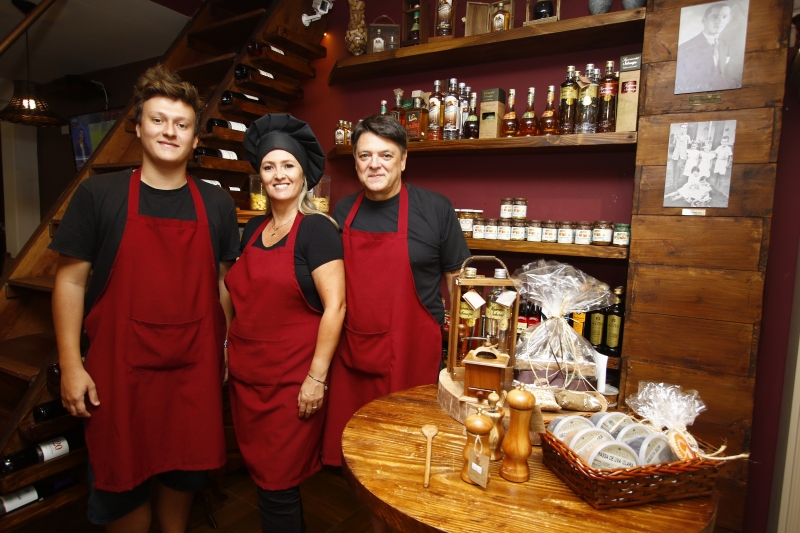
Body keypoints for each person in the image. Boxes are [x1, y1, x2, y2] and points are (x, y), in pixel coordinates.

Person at [50, 65, 240, 532]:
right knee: (123, 496)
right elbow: (70, 283)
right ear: (137, 127)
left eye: (181, 124)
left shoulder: (215, 203)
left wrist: (225, 345)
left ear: (196, 138)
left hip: (192, 373)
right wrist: (72, 365)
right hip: (120, 373)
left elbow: (223, 283)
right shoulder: (99, 195)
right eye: (158, 120)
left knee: (180, 493)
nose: (169, 131)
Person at [322, 114, 470, 471]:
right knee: (361, 452)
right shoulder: (344, 211)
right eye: (365, 156)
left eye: (386, 155)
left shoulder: (436, 209)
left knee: (410, 454)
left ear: (403, 160)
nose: (375, 164)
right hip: (353, 352)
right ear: (355, 160)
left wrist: (461, 349)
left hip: (412, 352)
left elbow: (458, 282)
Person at [224, 114, 345, 533]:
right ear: (259, 175)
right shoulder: (253, 229)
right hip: (247, 379)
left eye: (288, 165)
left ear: (304, 174)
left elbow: (337, 307)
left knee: (278, 486)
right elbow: (242, 299)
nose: (278, 174)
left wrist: (317, 378)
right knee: (262, 480)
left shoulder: (317, 230)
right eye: (269, 166)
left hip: (291, 385)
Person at [675, 2, 738, 94]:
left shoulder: (725, 46)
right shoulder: (686, 48)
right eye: (714, 17)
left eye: (724, 17)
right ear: (704, 20)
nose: (719, 21)